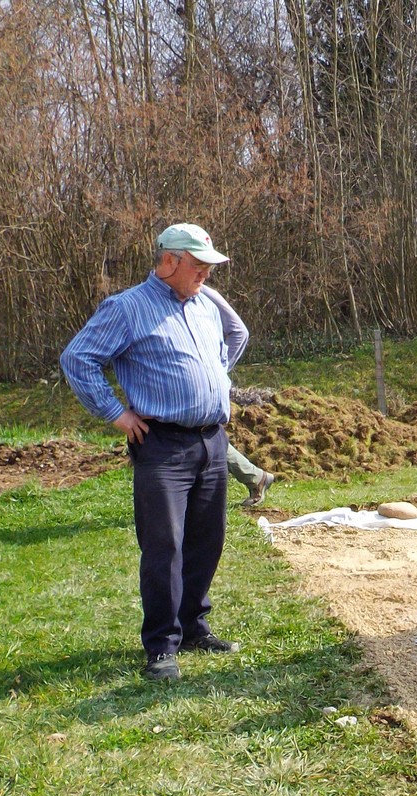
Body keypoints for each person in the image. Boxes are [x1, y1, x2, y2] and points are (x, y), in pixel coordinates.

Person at [61, 223, 244, 681]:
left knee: (208, 540)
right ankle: (162, 646)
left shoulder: (205, 303)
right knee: (165, 546)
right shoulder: (126, 308)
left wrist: (214, 379)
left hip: (211, 441)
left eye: (208, 266)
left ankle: (194, 627)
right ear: (168, 262)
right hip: (162, 445)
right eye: (198, 266)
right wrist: (116, 414)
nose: (205, 274)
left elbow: (237, 335)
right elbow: (77, 358)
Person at [202, 284, 276, 508]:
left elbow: (239, 332)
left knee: (206, 435)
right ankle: (255, 477)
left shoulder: (203, 294)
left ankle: (255, 477)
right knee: (205, 435)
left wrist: (217, 371)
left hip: (208, 382)